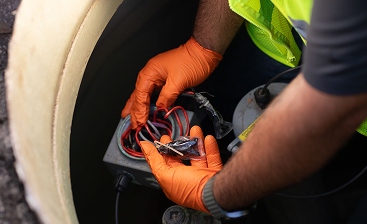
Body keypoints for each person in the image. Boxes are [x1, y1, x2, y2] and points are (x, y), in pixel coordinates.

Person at [121, 0, 367, 222]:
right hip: (282, 38)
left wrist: (218, 195)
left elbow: (332, 107)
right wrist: (203, 46)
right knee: (228, 97)